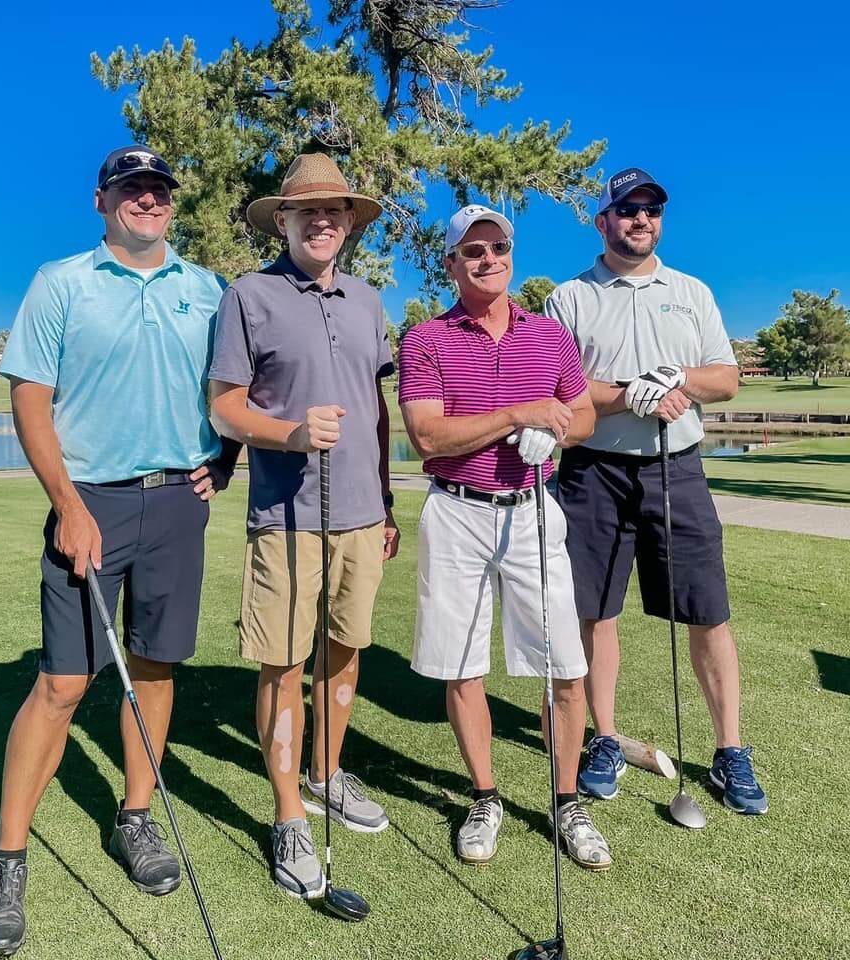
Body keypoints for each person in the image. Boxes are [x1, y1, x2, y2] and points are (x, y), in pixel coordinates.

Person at [0, 145, 240, 957]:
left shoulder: (205, 289)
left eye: (159, 191)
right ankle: (7, 856)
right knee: (63, 682)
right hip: (89, 504)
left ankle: (136, 820)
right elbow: (31, 400)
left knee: (154, 670)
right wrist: (67, 505)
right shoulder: (63, 281)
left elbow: (229, 392)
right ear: (103, 201)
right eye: (132, 190)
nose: (148, 201)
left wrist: (221, 462)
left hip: (175, 506)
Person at [545, 167, 768, 815]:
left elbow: (725, 378)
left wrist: (678, 379)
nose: (640, 220)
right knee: (595, 612)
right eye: (627, 210)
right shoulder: (571, 298)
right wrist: (625, 394)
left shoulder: (691, 292)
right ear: (603, 221)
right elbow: (565, 392)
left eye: (651, 210)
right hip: (593, 474)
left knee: (707, 610)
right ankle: (606, 737)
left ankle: (729, 751)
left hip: (678, 468)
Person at [208, 153, 400, 900]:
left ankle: (326, 772)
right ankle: (289, 813)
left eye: (335, 212)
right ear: (282, 220)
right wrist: (288, 435)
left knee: (346, 650)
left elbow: (377, 413)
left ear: (349, 224)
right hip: (286, 517)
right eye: (306, 212)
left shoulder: (370, 301)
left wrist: (386, 503)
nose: (323, 222)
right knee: (284, 664)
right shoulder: (249, 296)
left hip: (360, 513)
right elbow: (224, 406)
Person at [398, 204, 611, 871]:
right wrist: (520, 413)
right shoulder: (426, 339)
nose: (487, 260)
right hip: (457, 511)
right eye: (472, 251)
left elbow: (580, 419)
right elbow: (429, 436)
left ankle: (567, 799)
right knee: (462, 664)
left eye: (497, 248)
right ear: (451, 264)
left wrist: (557, 430)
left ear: (510, 255)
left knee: (564, 666)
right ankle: (485, 795)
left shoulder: (548, 335)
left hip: (532, 508)